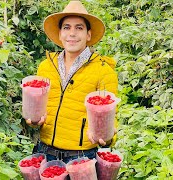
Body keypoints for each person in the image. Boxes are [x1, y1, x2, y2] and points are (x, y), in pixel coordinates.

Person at [25, 0, 118, 163]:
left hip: (82, 158)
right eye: (66, 27)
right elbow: (37, 111)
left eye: (79, 27)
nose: (72, 33)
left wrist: (107, 138)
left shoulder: (103, 71)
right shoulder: (45, 67)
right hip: (45, 152)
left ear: (88, 35)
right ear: (60, 34)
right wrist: (33, 121)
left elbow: (110, 119)